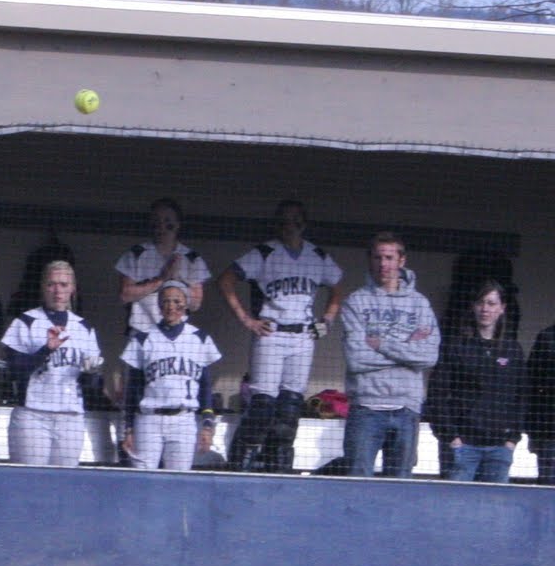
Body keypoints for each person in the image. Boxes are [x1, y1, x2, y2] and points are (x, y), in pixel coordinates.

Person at [216, 200, 343, 473]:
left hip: (303, 336)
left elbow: (337, 286)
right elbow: (226, 279)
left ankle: (278, 469)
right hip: (271, 333)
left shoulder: (317, 256)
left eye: (296, 220)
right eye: (284, 221)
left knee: (289, 411)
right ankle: (238, 464)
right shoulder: (264, 253)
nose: (290, 226)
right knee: (262, 407)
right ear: (277, 224)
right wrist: (246, 319)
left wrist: (328, 320)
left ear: (304, 224)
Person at [339, 232, 440, 479]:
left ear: (401, 260)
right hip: (366, 408)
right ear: (370, 260)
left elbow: (428, 356)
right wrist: (407, 348)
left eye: (389, 257)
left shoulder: (420, 304)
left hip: (407, 409)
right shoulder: (356, 302)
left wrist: (381, 344)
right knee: (356, 483)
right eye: (378, 257)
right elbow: (356, 357)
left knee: (399, 488)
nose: (383, 264)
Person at [0, 259, 104, 466]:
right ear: (43, 287)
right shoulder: (26, 322)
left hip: (70, 416)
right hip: (33, 414)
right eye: (51, 284)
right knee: (30, 480)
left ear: (72, 289)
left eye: (63, 285)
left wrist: (92, 373)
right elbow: (14, 372)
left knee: (64, 483)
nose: (57, 291)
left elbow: (94, 388)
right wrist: (45, 350)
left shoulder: (83, 327)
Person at [429, 281, 525, 483]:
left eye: (491, 303)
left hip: (500, 448)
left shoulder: (512, 350)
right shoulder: (455, 347)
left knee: (495, 509)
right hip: (463, 445)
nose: (485, 309)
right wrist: (450, 437)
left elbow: (521, 397)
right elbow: (437, 393)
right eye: (481, 302)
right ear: (473, 306)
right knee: (456, 507)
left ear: (502, 308)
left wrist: (512, 439)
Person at [119, 281, 221, 471]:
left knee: (179, 481)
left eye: (177, 301)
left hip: (183, 419)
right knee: (142, 479)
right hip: (148, 419)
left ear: (186, 304)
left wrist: (207, 425)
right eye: (165, 301)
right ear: (158, 305)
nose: (171, 306)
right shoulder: (142, 338)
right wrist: (128, 428)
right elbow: (132, 389)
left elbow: (206, 387)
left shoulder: (200, 338)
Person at [115, 197, 209, 336]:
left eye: (168, 222)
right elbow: (125, 296)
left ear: (177, 224)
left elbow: (196, 304)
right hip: (142, 331)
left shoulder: (192, 258)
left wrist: (178, 284)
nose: (162, 227)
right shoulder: (136, 254)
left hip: (177, 333)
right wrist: (160, 280)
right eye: (157, 222)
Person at [527, 321, 555, 484]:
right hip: (549, 431)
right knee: (549, 486)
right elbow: (532, 383)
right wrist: (533, 433)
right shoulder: (548, 338)